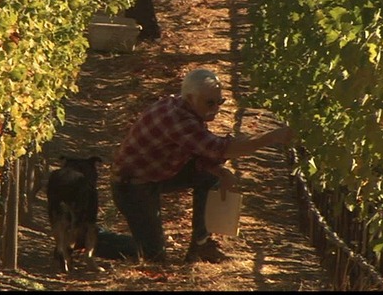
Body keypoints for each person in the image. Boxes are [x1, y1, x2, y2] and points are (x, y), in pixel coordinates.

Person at [110, 68, 293, 264]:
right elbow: (220, 149)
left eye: (219, 102)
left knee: (211, 176)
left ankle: (201, 244)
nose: (216, 108)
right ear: (190, 98)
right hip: (132, 186)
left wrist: (220, 171)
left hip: (155, 174)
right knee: (152, 254)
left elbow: (201, 152)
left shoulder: (185, 107)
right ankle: (93, 237)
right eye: (210, 103)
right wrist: (271, 137)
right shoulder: (178, 119)